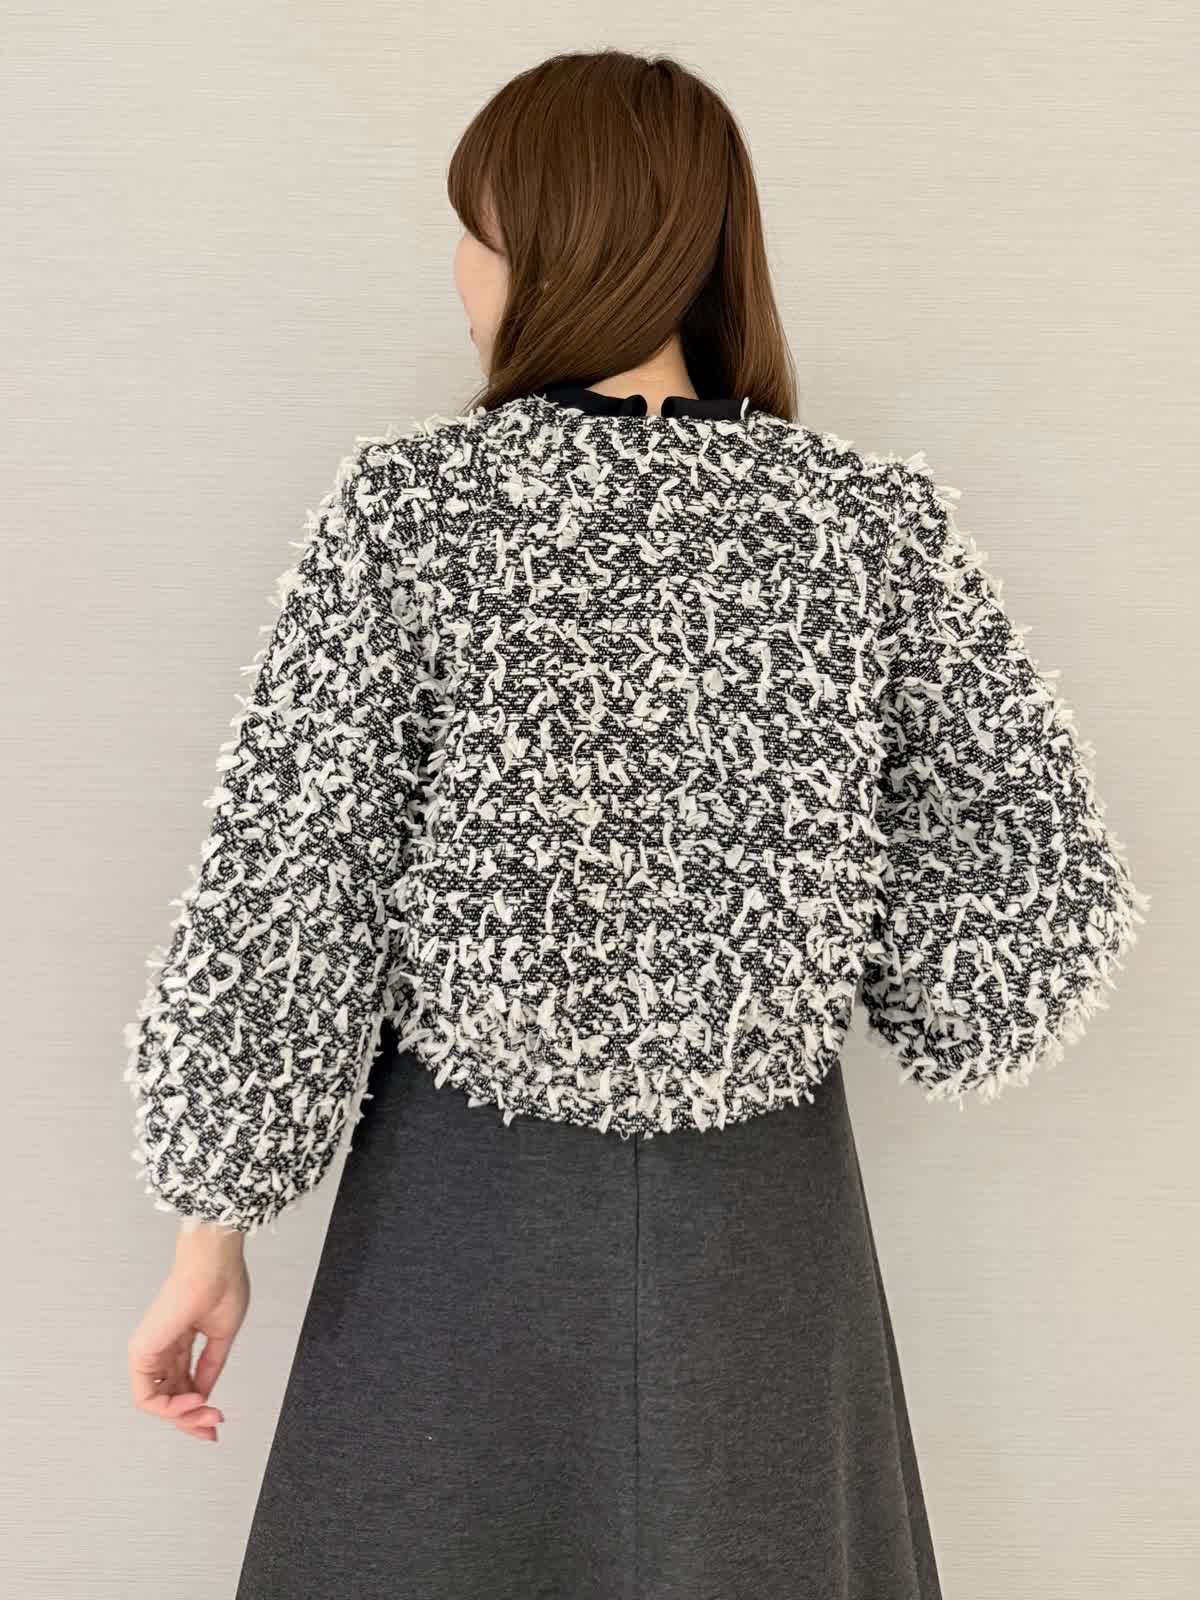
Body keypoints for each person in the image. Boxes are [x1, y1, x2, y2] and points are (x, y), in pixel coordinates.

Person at [123, 47, 1149, 1600]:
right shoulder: (859, 524)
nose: (460, 269)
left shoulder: (415, 511)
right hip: (766, 1223)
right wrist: (815, 912)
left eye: (475, 228)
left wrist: (213, 1231)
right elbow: (1037, 892)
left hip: (464, 1215)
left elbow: (290, 885)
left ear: (553, 243)